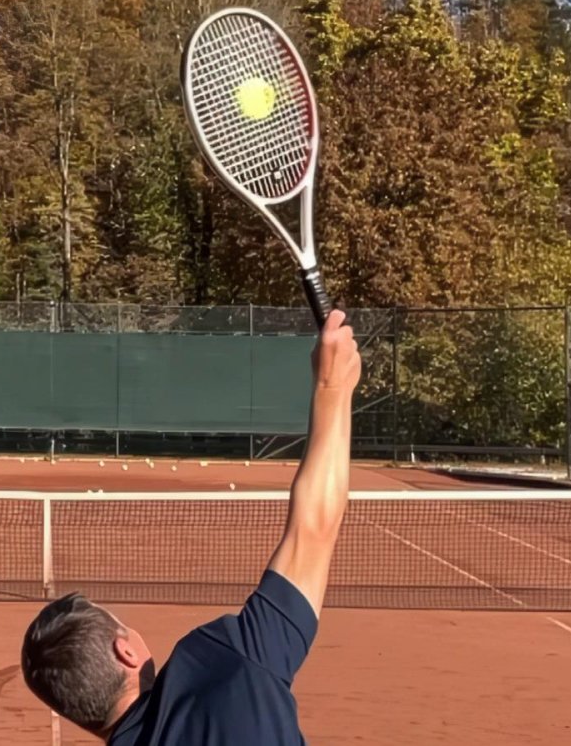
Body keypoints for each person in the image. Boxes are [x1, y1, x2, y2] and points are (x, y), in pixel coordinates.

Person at [19, 310, 360, 744]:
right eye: (122, 625)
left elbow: (314, 530)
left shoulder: (227, 662)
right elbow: (313, 528)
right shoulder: (225, 664)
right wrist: (333, 386)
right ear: (126, 651)